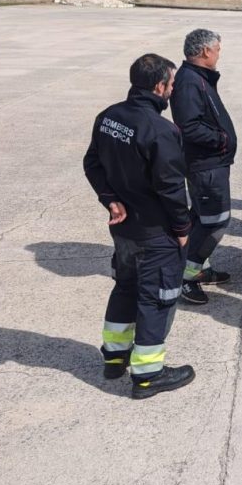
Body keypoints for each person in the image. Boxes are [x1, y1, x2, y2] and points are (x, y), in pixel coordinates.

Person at [83, 54, 195, 399]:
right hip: (154, 232)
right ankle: (148, 375)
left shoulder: (108, 117)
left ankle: (114, 357)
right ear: (159, 86)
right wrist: (182, 228)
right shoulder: (161, 130)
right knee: (156, 298)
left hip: (124, 230)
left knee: (125, 287)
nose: (172, 91)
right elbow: (171, 188)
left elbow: (92, 162)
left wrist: (109, 198)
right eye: (171, 85)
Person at [169, 28, 238, 305]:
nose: (219, 54)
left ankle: (199, 268)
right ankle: (187, 275)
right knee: (215, 221)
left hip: (212, 163)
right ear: (205, 51)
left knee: (200, 216)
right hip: (206, 165)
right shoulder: (189, 81)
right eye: (218, 49)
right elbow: (189, 126)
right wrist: (221, 140)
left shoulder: (198, 78)